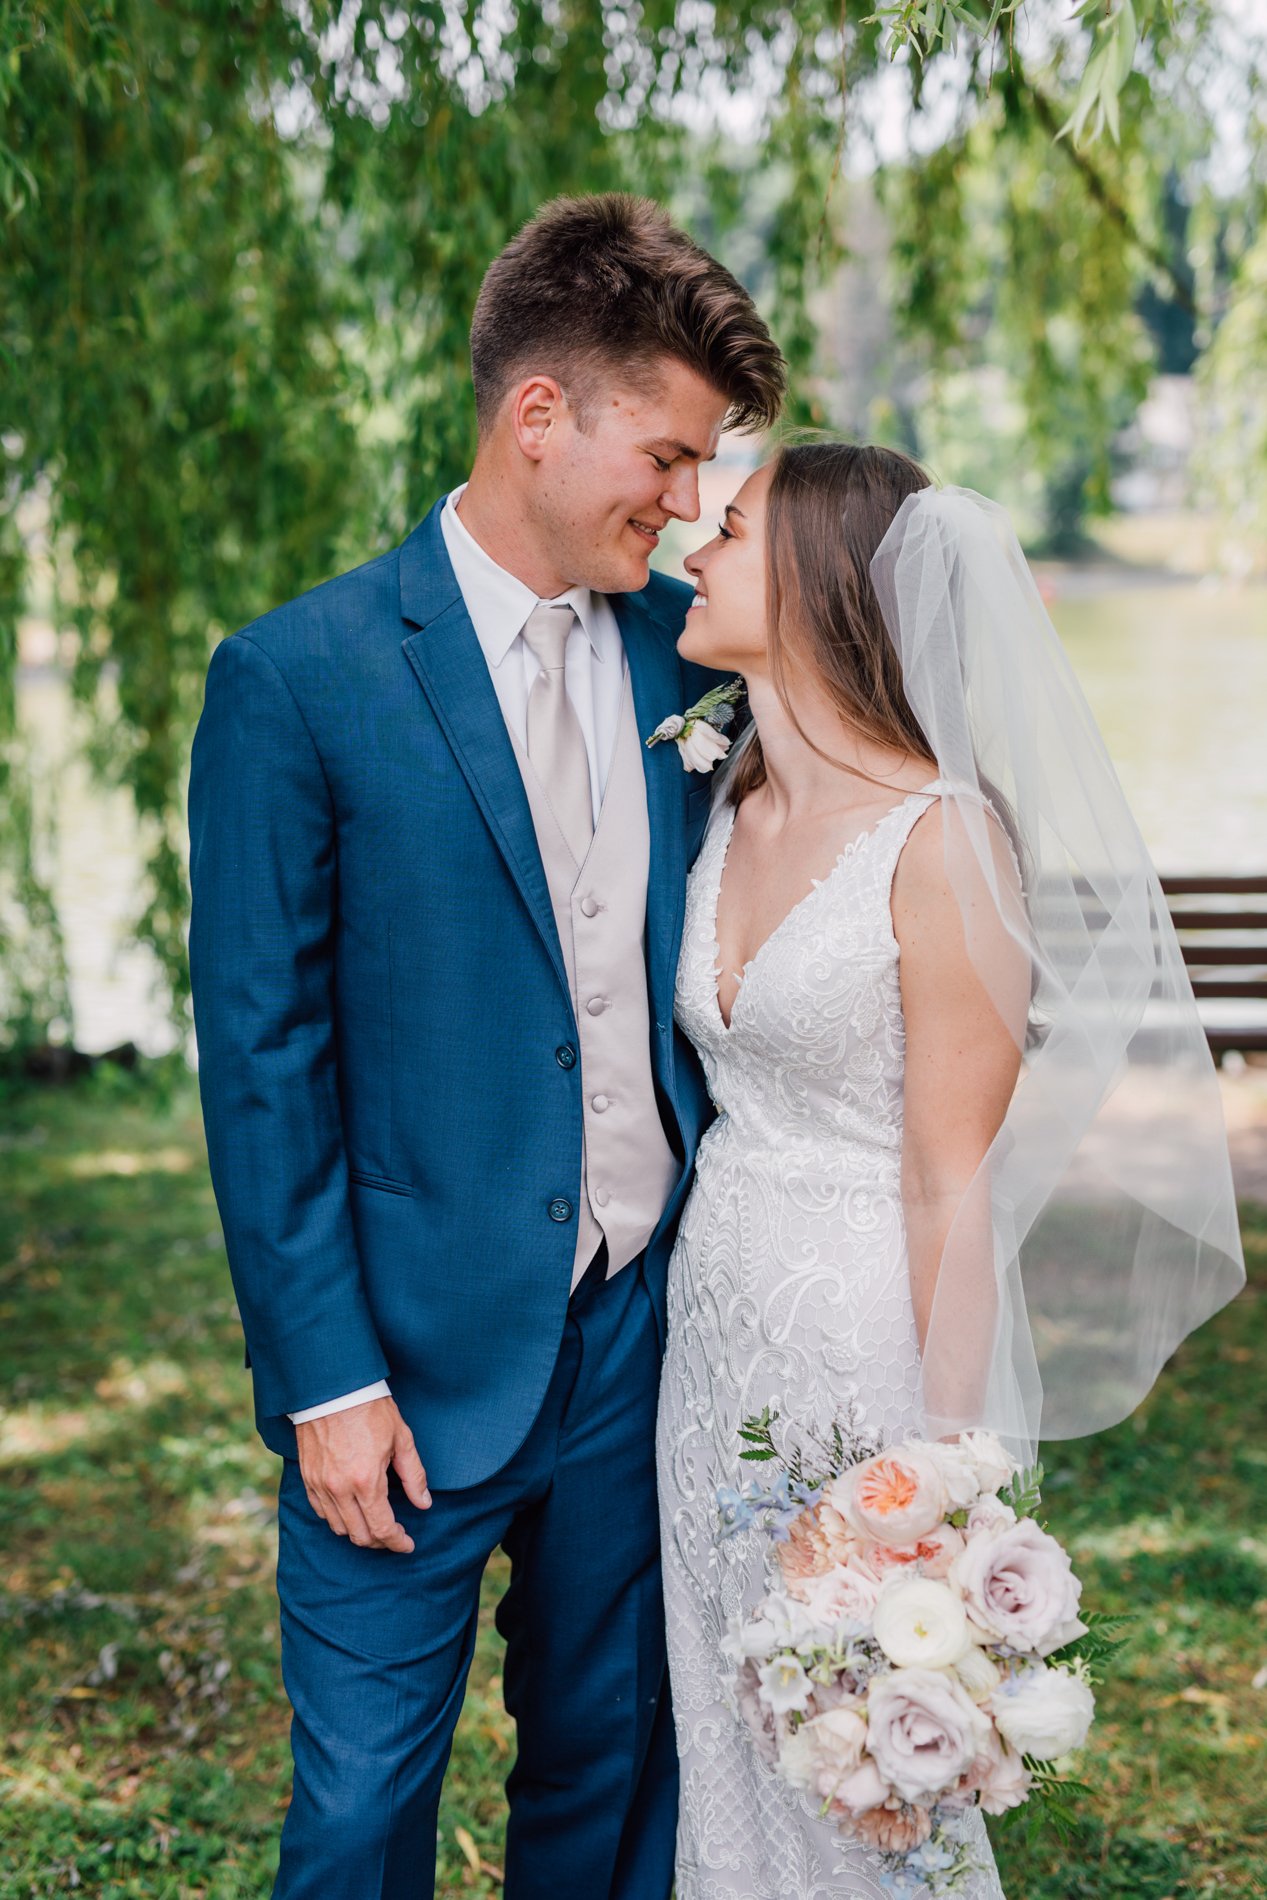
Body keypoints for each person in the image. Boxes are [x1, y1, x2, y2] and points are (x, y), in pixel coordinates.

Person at [187, 192, 785, 1900]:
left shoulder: (696, 658)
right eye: (665, 460)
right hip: (401, 1364)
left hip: (638, 1343)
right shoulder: (295, 679)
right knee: (367, 1807)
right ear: (541, 418)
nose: (688, 507)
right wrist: (326, 1380)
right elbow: (262, 1054)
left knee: (608, 1781)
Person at [657, 439, 1244, 1897]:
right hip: (710, 1346)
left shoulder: (942, 842)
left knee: (858, 1746)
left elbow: (949, 1179)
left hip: (858, 1348)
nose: (692, 548)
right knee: (729, 1735)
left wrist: (941, 1468)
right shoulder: (724, 799)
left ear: (808, 586)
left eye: (727, 530)